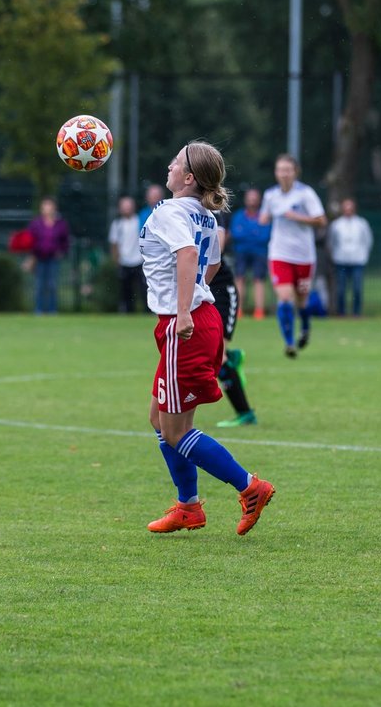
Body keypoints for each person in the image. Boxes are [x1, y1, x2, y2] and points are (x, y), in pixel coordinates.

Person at [140, 140, 274, 534]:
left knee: (175, 430)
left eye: (175, 162)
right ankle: (188, 507)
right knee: (158, 419)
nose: (168, 165)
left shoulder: (171, 211)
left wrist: (183, 309)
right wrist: (193, 297)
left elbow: (187, 256)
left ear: (189, 178)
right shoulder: (205, 217)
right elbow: (210, 263)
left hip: (188, 324)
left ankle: (251, 487)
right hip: (201, 318)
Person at [259, 154, 326, 357]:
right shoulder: (271, 195)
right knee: (285, 298)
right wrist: (264, 217)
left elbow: (321, 220)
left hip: (304, 256)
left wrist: (296, 217)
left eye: (288, 169)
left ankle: (305, 328)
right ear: (276, 173)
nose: (284, 174)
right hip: (279, 254)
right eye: (280, 170)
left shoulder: (306, 194)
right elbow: (264, 217)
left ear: (295, 172)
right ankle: (289, 343)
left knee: (302, 302)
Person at [211, 206, 258, 428]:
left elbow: (216, 252)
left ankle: (246, 413)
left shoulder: (211, 211)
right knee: (209, 354)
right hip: (199, 293)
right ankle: (232, 357)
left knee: (217, 358)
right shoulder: (176, 210)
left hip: (221, 293)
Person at [229, 188, 271, 319]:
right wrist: (254, 233)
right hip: (241, 251)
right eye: (250, 197)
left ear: (259, 200)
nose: (252, 200)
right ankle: (238, 310)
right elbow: (236, 234)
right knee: (239, 279)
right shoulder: (238, 216)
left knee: (259, 280)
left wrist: (247, 234)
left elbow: (265, 236)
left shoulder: (265, 216)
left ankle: (259, 311)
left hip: (260, 252)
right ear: (246, 199)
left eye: (255, 197)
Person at [328, 198, 373, 317]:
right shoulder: (336, 224)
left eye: (350, 208)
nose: (348, 210)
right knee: (341, 290)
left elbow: (367, 241)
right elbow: (332, 242)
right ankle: (341, 313)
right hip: (341, 260)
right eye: (346, 208)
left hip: (358, 260)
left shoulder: (361, 223)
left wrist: (364, 255)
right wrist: (334, 256)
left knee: (357, 289)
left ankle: (356, 313)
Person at [26, 197, 70, 314]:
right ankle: (39, 310)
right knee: (39, 285)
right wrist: (31, 256)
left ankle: (52, 310)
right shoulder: (36, 223)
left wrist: (61, 252)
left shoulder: (60, 224)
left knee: (52, 285)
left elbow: (65, 241)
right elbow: (30, 240)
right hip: (39, 258)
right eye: (44, 206)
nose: (47, 209)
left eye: (49, 206)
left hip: (53, 259)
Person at [107, 195, 144, 313]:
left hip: (139, 260)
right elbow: (114, 244)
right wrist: (116, 260)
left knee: (144, 289)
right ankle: (128, 312)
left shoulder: (139, 221)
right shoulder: (117, 224)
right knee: (126, 291)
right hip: (124, 261)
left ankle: (147, 311)